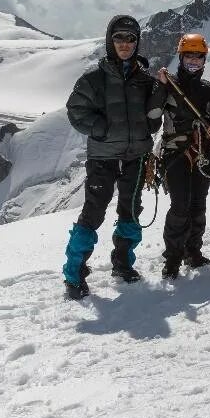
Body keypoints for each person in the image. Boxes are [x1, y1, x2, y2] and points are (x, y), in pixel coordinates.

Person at [61, 15, 164, 299]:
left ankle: (122, 264)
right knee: (93, 213)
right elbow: (75, 110)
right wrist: (99, 128)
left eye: (131, 39)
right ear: (110, 40)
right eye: (119, 37)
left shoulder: (145, 81)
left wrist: (150, 125)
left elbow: (154, 117)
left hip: (136, 156)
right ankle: (74, 273)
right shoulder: (93, 79)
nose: (125, 44)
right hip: (103, 158)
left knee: (130, 211)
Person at [153, 33, 210, 280]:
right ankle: (173, 257)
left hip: (202, 154)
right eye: (189, 56)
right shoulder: (168, 86)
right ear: (181, 57)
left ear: (204, 59)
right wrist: (160, 86)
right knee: (179, 205)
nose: (194, 61)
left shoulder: (209, 91)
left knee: (198, 203)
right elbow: (153, 116)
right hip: (175, 155)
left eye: (198, 56)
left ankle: (192, 250)